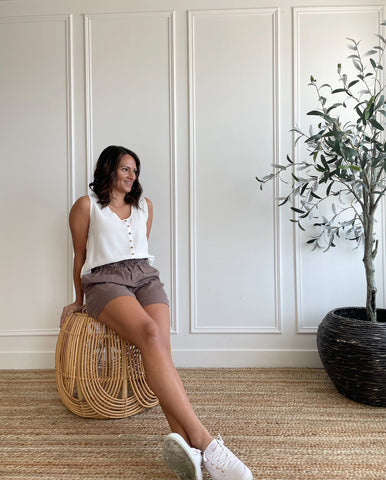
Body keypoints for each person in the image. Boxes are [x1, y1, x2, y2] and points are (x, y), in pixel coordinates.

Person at [61, 145, 253, 480]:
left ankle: (190, 452)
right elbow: (79, 256)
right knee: (150, 335)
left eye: (135, 171)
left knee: (161, 348)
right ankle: (208, 443)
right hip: (105, 279)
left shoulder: (145, 207)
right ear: (108, 170)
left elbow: (141, 250)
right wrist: (78, 299)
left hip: (145, 276)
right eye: (125, 169)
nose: (132, 176)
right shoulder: (85, 206)